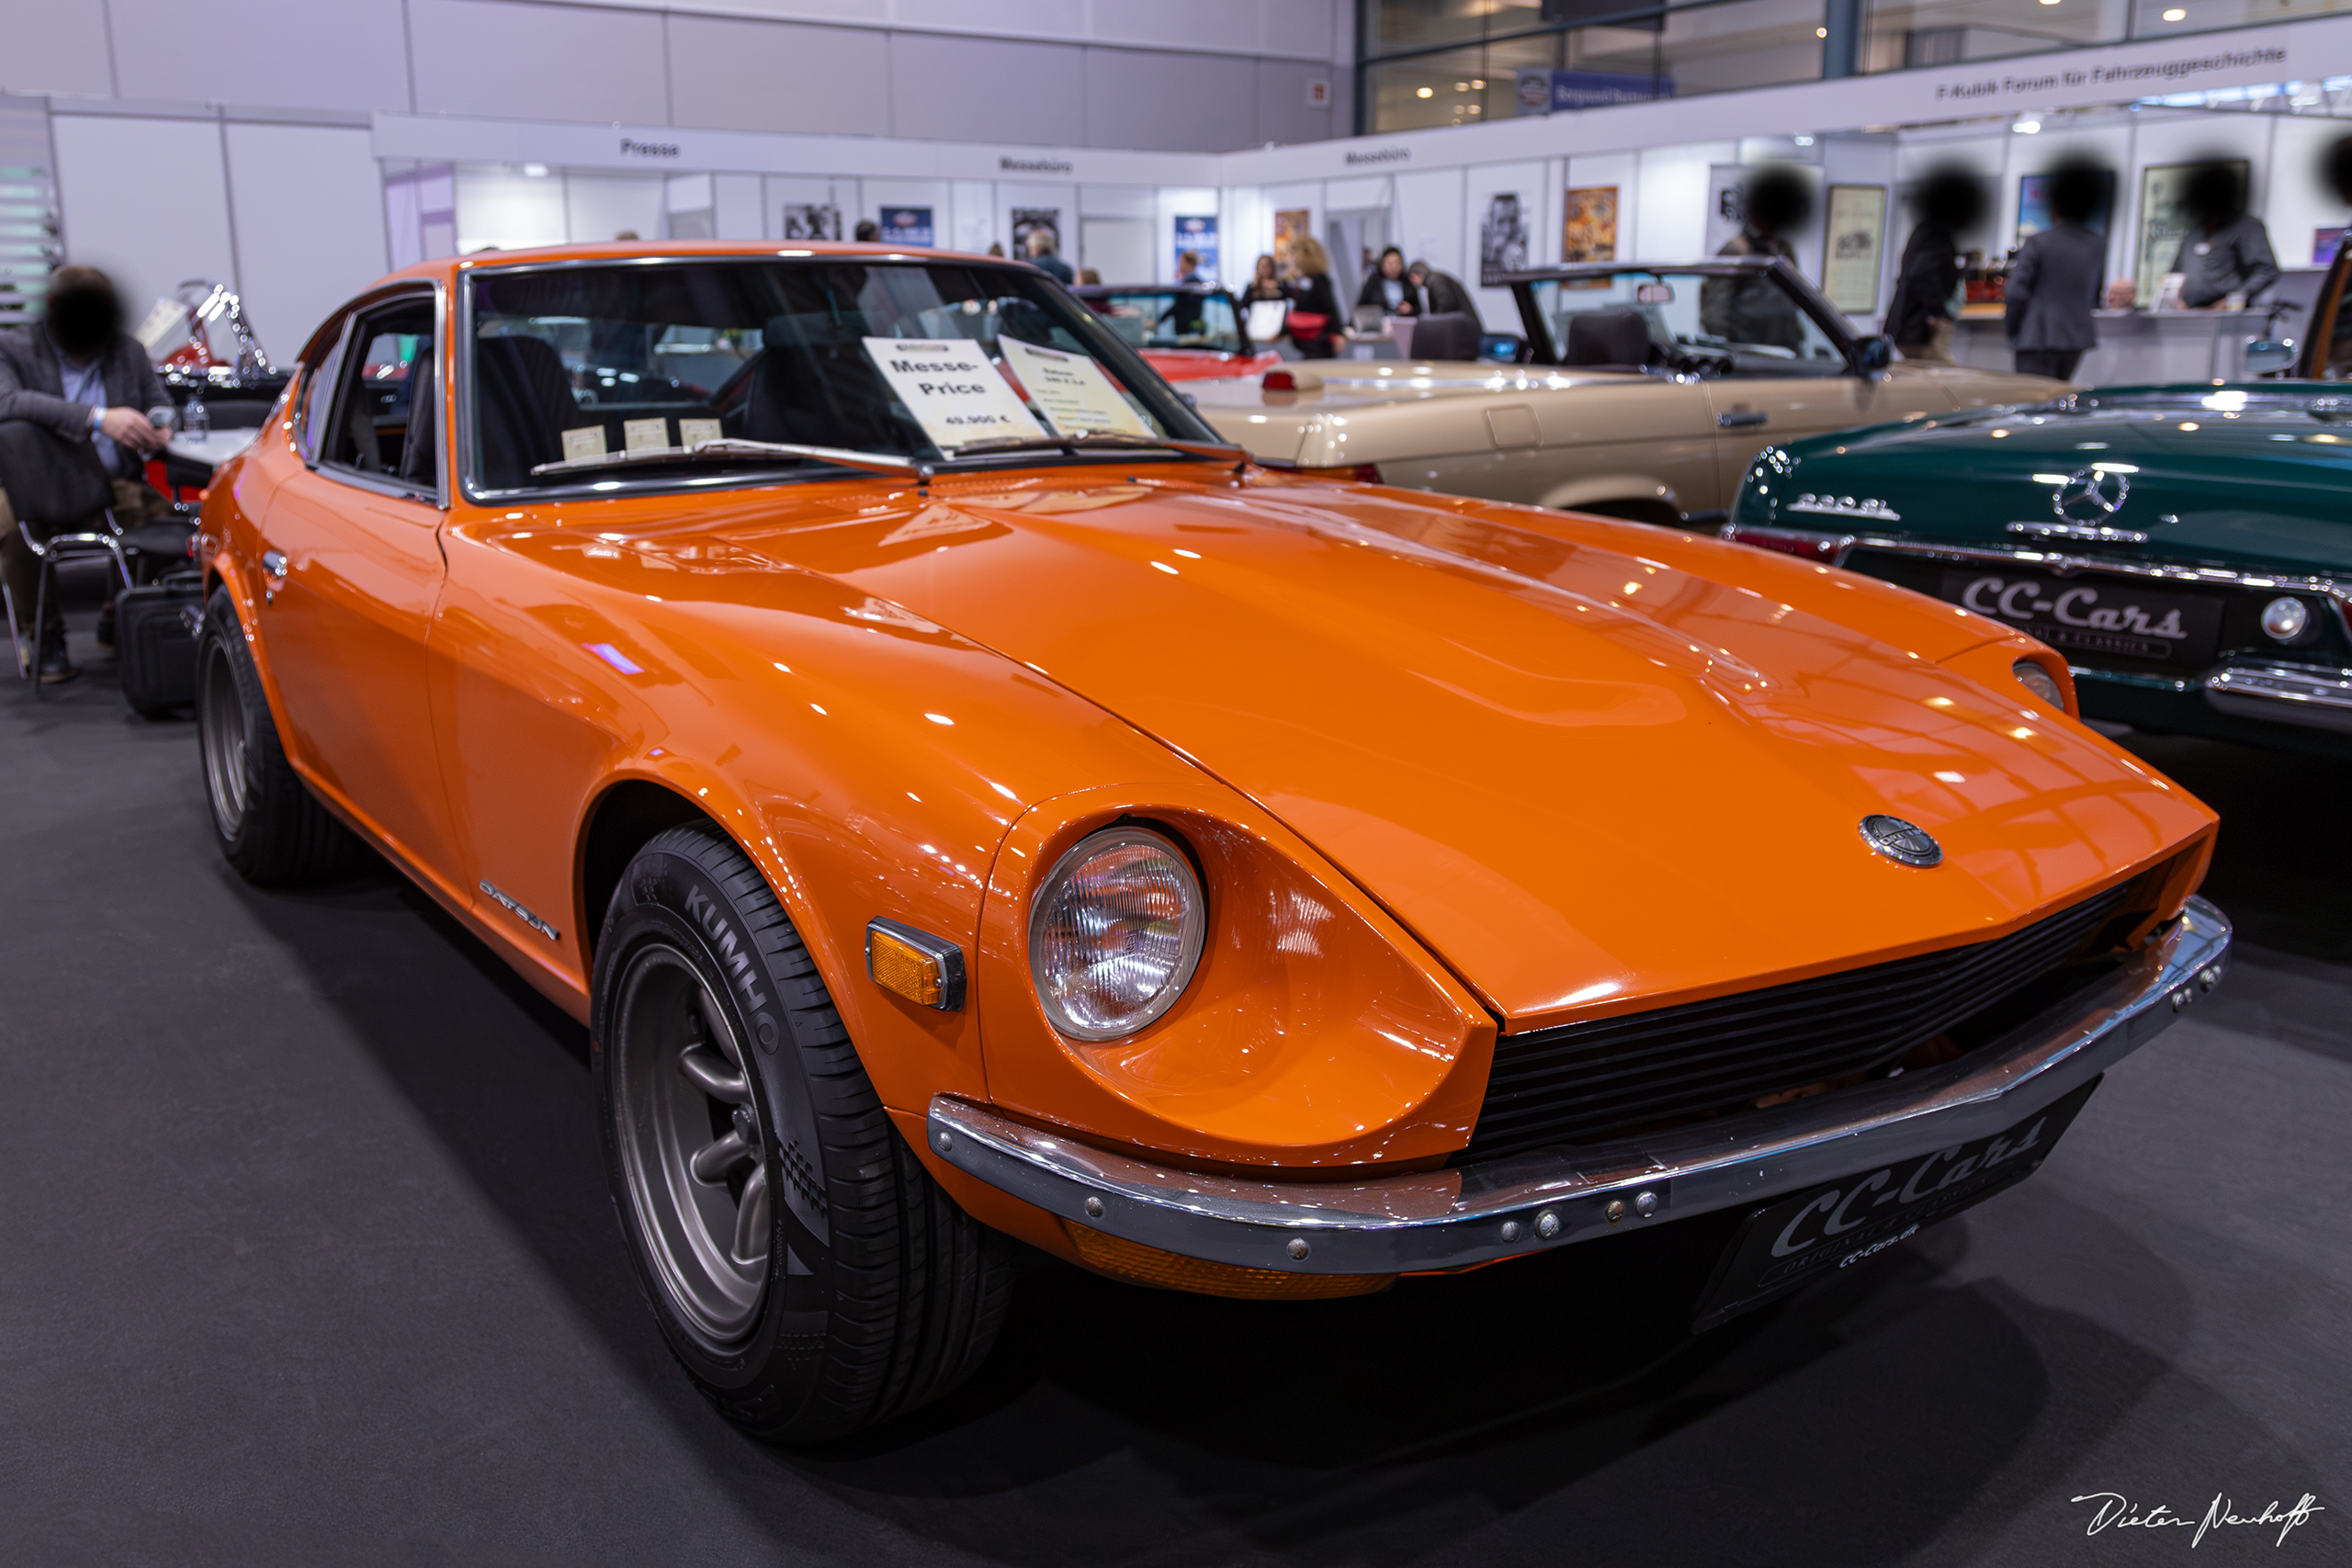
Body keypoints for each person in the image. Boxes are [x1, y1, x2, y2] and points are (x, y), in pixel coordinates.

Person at [0, 265, 175, 682]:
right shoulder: (15, 348)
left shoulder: (127, 352)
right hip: (39, 482)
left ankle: (122, 616)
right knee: (13, 529)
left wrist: (161, 424)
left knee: (166, 526)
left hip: (116, 486)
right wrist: (97, 418)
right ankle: (44, 636)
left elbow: (159, 402)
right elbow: (6, 402)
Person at [2006, 161, 2108, 382]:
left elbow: (2016, 292)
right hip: (2076, 337)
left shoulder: (2038, 242)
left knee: (2032, 403)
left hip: (2038, 335)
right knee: (2058, 401)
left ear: (2056, 209)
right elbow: (2095, 291)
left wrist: (2013, 331)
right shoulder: (2097, 244)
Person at [1701, 165, 1809, 351]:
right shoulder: (1737, 250)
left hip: (1787, 349)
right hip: (1752, 353)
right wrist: (1733, 354)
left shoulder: (1784, 248)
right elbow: (1716, 311)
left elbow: (1795, 299)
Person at [1883, 170, 1981, 365]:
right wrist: (1937, 313)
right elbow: (1922, 274)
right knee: (1945, 380)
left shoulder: (1925, 231)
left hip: (1911, 326)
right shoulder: (1937, 233)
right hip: (1921, 329)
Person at [2168, 164, 2279, 308]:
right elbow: (2175, 272)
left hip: (2226, 315)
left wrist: (2234, 300)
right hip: (2189, 313)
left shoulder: (2245, 225)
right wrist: (2176, 298)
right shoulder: (2195, 230)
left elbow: (2266, 269)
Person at [1283, 234, 1342, 359]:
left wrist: (1337, 334)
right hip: (1306, 342)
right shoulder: (1303, 281)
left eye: (1294, 254)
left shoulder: (1320, 281)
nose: (1292, 259)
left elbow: (1331, 308)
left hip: (1319, 342)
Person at [1355, 246, 1421, 319]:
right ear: (1382, 264)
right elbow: (1361, 306)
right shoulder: (1373, 281)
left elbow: (1419, 309)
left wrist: (1411, 309)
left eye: (1396, 263)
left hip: (1403, 322)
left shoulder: (1407, 281)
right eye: (1389, 263)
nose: (1393, 267)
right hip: (1378, 322)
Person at [1408, 259, 1475, 319]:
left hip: (1461, 324)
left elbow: (1446, 304)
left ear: (1414, 275)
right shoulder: (1434, 280)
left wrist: (1434, 321)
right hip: (1464, 321)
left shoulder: (1436, 281)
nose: (1412, 283)